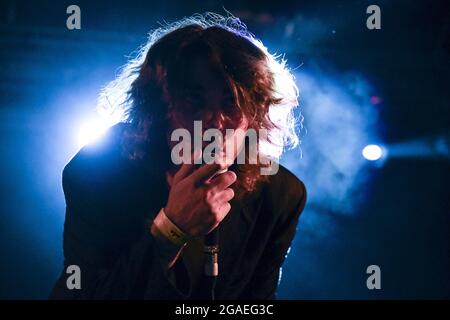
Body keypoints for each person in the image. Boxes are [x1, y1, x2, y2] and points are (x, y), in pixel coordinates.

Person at [50, 13, 307, 300]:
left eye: (232, 103)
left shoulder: (280, 194)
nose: (216, 122)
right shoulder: (100, 169)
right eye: (194, 100)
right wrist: (172, 229)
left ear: (255, 114)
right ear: (159, 107)